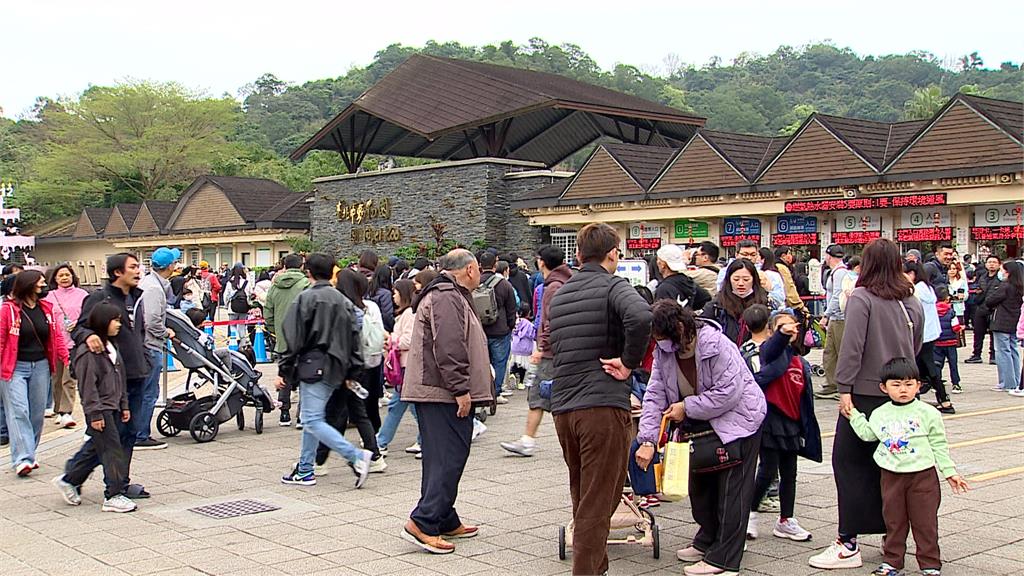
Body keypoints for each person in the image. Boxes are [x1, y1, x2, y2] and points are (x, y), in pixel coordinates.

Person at [809, 238, 924, 570]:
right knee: (890, 465)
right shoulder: (910, 298)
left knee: (848, 464)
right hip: (900, 392)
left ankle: (848, 541)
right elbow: (916, 345)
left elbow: (852, 346)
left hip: (864, 393)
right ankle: (893, 535)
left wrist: (844, 388)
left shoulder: (862, 297)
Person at [547, 223, 653, 576]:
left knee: (584, 490)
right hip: (601, 405)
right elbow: (641, 316)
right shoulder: (613, 285)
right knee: (599, 497)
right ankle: (587, 570)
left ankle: (598, 566)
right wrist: (628, 363)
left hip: (564, 407)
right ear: (613, 254)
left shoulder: (561, 293)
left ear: (577, 255)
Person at [635, 301, 764, 576]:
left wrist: (687, 406)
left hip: (739, 422)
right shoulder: (663, 352)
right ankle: (707, 539)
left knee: (732, 492)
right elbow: (655, 394)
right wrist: (647, 439)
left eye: (663, 338)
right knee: (700, 486)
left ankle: (725, 559)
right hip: (698, 426)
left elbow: (728, 392)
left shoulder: (716, 345)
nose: (661, 345)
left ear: (680, 328)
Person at [400, 249, 493, 554]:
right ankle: (423, 521)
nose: (479, 273)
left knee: (445, 456)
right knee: (448, 457)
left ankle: (443, 516)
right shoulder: (445, 296)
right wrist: (461, 389)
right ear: (468, 269)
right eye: (477, 268)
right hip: (441, 392)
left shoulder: (451, 293)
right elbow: (449, 346)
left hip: (440, 391)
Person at [845, 357, 970, 576]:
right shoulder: (881, 413)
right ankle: (892, 562)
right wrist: (854, 415)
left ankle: (930, 564)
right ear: (884, 387)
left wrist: (949, 472)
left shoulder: (928, 413)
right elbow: (868, 434)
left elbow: (939, 444)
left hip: (923, 476)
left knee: (926, 523)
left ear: (918, 385)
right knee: (894, 521)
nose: (903, 389)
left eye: (909, 384)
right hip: (891, 475)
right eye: (896, 384)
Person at [277, 253, 373, 488]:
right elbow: (355, 338)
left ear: (307, 272)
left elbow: (293, 337)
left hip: (313, 364)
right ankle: (305, 468)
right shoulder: (343, 301)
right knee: (314, 417)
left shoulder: (305, 299)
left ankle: (356, 456)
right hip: (339, 367)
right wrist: (354, 371)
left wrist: (284, 370)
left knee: (311, 419)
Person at [65, 253, 152, 499]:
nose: (138, 271)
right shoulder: (99, 298)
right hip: (111, 376)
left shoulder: (136, 297)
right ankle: (84, 478)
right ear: (117, 272)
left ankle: (118, 482)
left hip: (135, 372)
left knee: (128, 433)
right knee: (109, 435)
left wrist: (145, 359)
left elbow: (139, 332)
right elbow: (80, 327)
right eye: (133, 267)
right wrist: (87, 336)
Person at [739, 305, 821, 542]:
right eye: (781, 326)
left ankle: (786, 519)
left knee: (790, 472)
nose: (789, 330)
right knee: (767, 469)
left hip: (792, 422)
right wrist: (782, 334)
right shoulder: (770, 352)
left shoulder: (800, 361)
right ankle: (750, 514)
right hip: (770, 419)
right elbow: (772, 348)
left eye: (792, 326)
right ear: (771, 330)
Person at [52, 303, 137, 513]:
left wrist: (124, 405)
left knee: (95, 450)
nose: (118, 324)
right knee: (111, 450)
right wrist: (95, 414)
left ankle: (70, 478)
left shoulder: (111, 346)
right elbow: (88, 388)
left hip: (115, 405)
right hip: (101, 409)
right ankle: (114, 494)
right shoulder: (88, 353)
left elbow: (120, 378)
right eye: (114, 320)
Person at [501, 244, 572, 457]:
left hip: (551, 352)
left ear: (541, 261)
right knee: (552, 397)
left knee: (540, 395)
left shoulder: (553, 287)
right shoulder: (567, 281)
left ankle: (528, 440)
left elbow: (550, 321)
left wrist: (542, 346)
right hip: (563, 349)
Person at [316, 269, 386, 473]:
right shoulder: (369, 307)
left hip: (343, 367)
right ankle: (374, 456)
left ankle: (320, 461)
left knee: (332, 414)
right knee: (356, 411)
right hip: (364, 364)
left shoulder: (342, 307)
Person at [0, 270, 68, 476]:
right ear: (28, 284)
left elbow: (56, 337)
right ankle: (23, 459)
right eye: (39, 281)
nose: (43, 285)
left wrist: (66, 357)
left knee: (37, 413)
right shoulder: (8, 310)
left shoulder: (46, 308)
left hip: (41, 366)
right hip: (14, 367)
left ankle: (30, 451)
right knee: (19, 411)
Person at [136, 247, 180, 450]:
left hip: (145, 344)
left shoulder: (149, 283)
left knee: (144, 390)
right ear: (169, 266)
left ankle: (138, 431)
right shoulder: (153, 288)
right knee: (149, 391)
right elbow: (152, 320)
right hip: (150, 345)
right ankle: (141, 434)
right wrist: (166, 332)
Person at [264, 254, 310, 426]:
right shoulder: (305, 284)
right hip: (304, 337)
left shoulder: (275, 285)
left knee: (285, 374)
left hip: (283, 337)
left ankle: (284, 413)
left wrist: (274, 331)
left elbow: (268, 311)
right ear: (301, 266)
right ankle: (301, 416)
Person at [376, 279, 420, 455]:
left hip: (406, 365)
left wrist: (393, 341)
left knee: (399, 404)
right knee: (409, 405)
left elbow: (409, 339)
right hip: (405, 365)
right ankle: (425, 438)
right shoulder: (407, 313)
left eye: (395, 293)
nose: (393, 296)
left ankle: (381, 442)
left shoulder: (409, 314)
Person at [904, 260, 954, 413]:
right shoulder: (927, 288)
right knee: (924, 366)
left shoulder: (916, 290)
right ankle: (941, 399)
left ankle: (942, 400)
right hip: (930, 333)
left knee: (923, 367)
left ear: (911, 274)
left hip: (922, 334)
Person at [44, 263, 89, 429]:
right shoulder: (49, 296)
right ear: (55, 278)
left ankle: (66, 412)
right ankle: (58, 409)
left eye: (67, 275)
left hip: (74, 342)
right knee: (56, 379)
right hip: (54, 343)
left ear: (73, 276)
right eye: (61, 275)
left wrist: (77, 323)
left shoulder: (82, 294)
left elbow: (88, 315)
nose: (64, 278)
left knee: (68, 378)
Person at [477, 251, 518, 404]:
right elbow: (511, 308)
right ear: (496, 265)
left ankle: (482, 392)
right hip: (500, 330)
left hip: (479, 330)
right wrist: (510, 326)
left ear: (480, 265)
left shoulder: (476, 282)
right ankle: (496, 392)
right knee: (499, 362)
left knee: (481, 363)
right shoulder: (504, 284)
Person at [701, 258, 768, 345]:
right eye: (736, 279)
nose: (740, 283)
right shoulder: (716, 306)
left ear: (754, 280)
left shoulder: (765, 303)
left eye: (746, 279)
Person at [986, 260, 1023, 393]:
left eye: (1003, 270)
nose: (1001, 273)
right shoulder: (1020, 287)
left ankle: (1006, 382)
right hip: (1015, 322)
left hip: (1001, 322)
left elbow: (990, 300)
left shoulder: (1005, 286)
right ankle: (1016, 380)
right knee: (1013, 351)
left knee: (1003, 352)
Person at [817, 244, 849, 400]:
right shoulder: (838, 272)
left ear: (828, 256)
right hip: (835, 318)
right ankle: (831, 383)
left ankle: (839, 385)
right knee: (830, 352)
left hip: (838, 318)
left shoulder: (839, 273)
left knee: (838, 351)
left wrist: (826, 315)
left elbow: (837, 295)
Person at [717, 240, 785, 307]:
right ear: (736, 255)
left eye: (753, 255)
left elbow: (779, 300)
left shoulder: (769, 274)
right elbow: (720, 293)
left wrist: (767, 290)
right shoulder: (724, 272)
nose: (749, 258)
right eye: (745, 254)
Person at [966, 255, 1001, 364]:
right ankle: (976, 354)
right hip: (981, 308)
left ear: (999, 265)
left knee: (993, 334)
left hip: (994, 309)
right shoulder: (982, 277)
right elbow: (978, 291)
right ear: (986, 264)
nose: (991, 264)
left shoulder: (1001, 279)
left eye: (994, 262)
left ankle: (993, 355)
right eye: (989, 262)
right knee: (978, 333)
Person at [654, 244, 711, 310]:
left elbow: (662, 316)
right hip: (688, 319)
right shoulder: (687, 281)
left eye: (658, 260)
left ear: (663, 264)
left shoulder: (664, 288)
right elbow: (706, 298)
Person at [933, 287, 963, 395]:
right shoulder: (951, 312)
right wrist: (960, 328)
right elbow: (955, 327)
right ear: (947, 299)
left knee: (937, 364)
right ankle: (956, 384)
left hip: (937, 341)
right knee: (953, 363)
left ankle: (936, 383)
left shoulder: (933, 311)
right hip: (950, 342)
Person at [224, 263, 252, 349]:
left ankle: (234, 343)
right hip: (244, 308)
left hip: (232, 308)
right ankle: (242, 344)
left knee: (232, 326)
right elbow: (250, 294)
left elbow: (226, 295)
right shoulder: (247, 282)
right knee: (242, 326)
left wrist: (226, 305)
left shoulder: (230, 282)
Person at [773, 246, 806, 313]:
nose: (791, 256)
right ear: (783, 255)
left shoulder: (775, 266)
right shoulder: (782, 268)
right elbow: (789, 287)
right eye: (789, 253)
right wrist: (799, 305)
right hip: (784, 305)